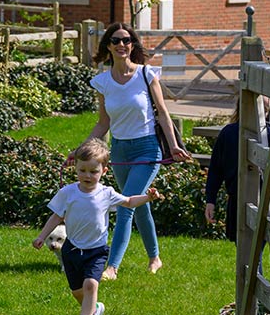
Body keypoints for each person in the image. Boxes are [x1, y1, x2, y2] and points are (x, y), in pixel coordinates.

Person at [70, 21, 190, 280]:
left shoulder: (147, 75)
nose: (122, 44)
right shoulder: (102, 82)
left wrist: (173, 146)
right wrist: (80, 150)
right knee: (140, 205)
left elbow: (163, 115)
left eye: (126, 40)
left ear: (132, 44)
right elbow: (104, 123)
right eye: (116, 40)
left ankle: (111, 267)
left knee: (125, 205)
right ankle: (155, 258)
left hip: (147, 148)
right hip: (120, 151)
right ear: (108, 47)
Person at [33, 138, 161, 315]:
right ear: (75, 167)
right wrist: (41, 236)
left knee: (91, 284)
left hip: (96, 250)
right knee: (77, 292)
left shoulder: (106, 193)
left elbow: (128, 202)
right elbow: (56, 216)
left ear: (104, 171)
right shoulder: (68, 192)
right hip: (72, 249)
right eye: (82, 170)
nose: (87, 175)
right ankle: (95, 309)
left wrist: (147, 197)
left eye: (93, 171)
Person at [204, 97, 270, 241]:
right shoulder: (228, 133)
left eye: (264, 110)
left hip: (269, 201)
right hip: (237, 200)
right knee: (244, 247)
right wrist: (210, 200)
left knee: (258, 247)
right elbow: (216, 170)